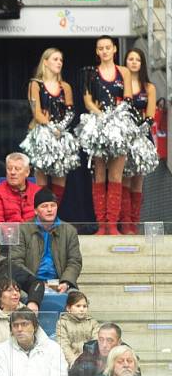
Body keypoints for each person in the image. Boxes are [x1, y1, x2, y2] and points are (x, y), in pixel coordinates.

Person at [78, 36, 134, 235]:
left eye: (107, 47)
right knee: (100, 174)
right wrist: (101, 115)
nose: (104, 51)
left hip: (119, 125)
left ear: (114, 49)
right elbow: (87, 101)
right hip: (99, 125)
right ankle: (101, 225)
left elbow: (128, 97)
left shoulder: (124, 72)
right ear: (96, 51)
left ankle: (113, 224)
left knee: (117, 175)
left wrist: (117, 115)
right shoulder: (90, 73)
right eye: (100, 48)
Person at [20, 48, 78, 205]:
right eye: (55, 59)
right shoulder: (35, 84)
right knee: (41, 176)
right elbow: (36, 112)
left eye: (61, 60)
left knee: (60, 176)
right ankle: (39, 214)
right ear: (45, 62)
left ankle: (53, 213)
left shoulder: (65, 87)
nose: (59, 62)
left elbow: (70, 111)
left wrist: (61, 128)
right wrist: (52, 128)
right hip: (42, 135)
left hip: (61, 136)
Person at [11, 188, 83, 292]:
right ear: (35, 210)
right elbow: (15, 261)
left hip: (61, 283)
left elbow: (75, 261)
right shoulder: (22, 230)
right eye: (44, 206)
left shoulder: (69, 231)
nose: (50, 209)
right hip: (29, 284)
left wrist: (66, 282)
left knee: (77, 301)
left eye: (53, 205)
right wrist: (34, 283)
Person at [120, 48, 158, 234]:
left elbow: (150, 116)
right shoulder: (120, 85)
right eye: (130, 59)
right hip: (123, 138)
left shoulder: (149, 87)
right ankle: (125, 224)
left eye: (137, 60)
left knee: (138, 181)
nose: (134, 62)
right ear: (125, 62)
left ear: (142, 64)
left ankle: (134, 224)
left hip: (142, 138)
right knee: (125, 179)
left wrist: (138, 132)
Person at [0, 152, 42, 224]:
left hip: (34, 234)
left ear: (27, 172)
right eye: (9, 169)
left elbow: (46, 221)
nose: (12, 172)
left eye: (17, 169)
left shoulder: (38, 192)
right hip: (8, 234)